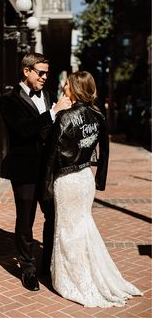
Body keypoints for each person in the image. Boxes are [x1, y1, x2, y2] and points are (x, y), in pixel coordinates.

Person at [43, 71, 143, 307]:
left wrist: (45, 184)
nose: (64, 87)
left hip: (66, 180)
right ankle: (88, 273)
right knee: (83, 225)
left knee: (67, 230)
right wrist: (100, 180)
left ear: (75, 89)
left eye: (67, 84)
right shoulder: (98, 115)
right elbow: (105, 152)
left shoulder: (64, 117)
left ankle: (72, 279)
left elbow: (51, 154)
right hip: (85, 178)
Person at [0, 52, 72, 291]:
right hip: (24, 169)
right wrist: (52, 113)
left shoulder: (49, 95)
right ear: (26, 71)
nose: (44, 77)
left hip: (49, 169)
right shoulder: (8, 99)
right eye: (40, 72)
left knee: (52, 216)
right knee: (26, 218)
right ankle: (27, 269)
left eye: (47, 73)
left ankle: (47, 264)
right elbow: (22, 130)